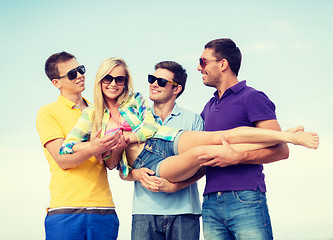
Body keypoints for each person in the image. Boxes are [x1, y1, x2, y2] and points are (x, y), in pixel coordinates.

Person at [59, 57, 319, 187]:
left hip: (165, 138)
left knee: (220, 136)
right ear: (99, 81)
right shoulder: (89, 117)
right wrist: (101, 148)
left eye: (120, 79)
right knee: (203, 154)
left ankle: (287, 136)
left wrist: (127, 137)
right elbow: (72, 151)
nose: (114, 84)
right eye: (108, 79)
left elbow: (149, 126)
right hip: (149, 162)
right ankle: (284, 137)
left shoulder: (135, 99)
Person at [197, 38, 308, 239]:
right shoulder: (208, 107)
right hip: (210, 203)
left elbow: (282, 150)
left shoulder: (252, 97)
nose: (199, 68)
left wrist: (237, 157)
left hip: (245, 198)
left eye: (203, 61)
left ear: (223, 64)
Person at [36, 51, 122, 240]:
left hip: (104, 209)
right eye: (72, 74)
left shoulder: (100, 111)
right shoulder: (48, 113)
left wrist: (118, 144)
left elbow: (110, 164)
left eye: (80, 69)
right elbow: (62, 160)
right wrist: (95, 147)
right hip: (65, 210)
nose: (80, 75)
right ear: (56, 83)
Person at [128, 61, 205, 240]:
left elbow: (203, 165)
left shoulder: (193, 120)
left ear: (176, 89)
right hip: (144, 212)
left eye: (161, 81)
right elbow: (122, 168)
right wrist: (137, 173)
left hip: (185, 213)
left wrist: (174, 186)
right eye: (152, 79)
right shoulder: (136, 118)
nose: (154, 84)